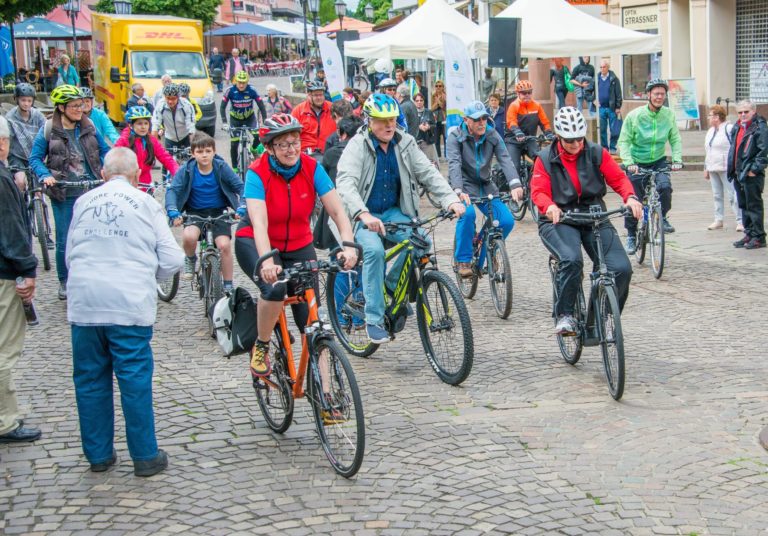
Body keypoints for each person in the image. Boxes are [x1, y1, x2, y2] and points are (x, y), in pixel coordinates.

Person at [66, 147, 184, 476]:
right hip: (128, 302)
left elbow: (69, 253)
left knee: (89, 379)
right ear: (136, 176)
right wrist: (149, 277)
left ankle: (99, 454)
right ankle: (145, 455)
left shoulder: (83, 202)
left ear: (103, 174)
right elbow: (173, 260)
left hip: (86, 301)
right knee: (134, 379)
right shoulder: (146, 203)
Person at [233, 114, 358, 377]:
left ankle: (328, 397)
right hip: (257, 242)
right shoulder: (257, 172)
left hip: (299, 243)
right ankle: (262, 344)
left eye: (295, 142)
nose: (291, 149)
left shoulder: (312, 168)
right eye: (283, 144)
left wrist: (348, 245)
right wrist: (268, 263)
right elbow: (259, 222)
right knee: (275, 289)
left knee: (311, 323)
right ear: (269, 148)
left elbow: (337, 212)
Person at [335, 94, 465, 343]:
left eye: (392, 119)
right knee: (372, 251)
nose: (389, 125)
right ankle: (373, 319)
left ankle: (392, 287)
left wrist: (450, 198)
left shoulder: (404, 142)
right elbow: (346, 183)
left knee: (421, 241)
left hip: (393, 211)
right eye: (382, 120)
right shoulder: (357, 145)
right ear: (369, 120)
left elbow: (427, 172)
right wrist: (363, 214)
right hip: (362, 214)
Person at [530, 107, 643, 334]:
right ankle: (566, 314)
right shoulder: (544, 159)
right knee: (571, 261)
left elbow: (619, 178)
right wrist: (549, 206)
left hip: (593, 215)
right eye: (570, 140)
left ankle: (604, 318)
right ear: (559, 137)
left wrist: (630, 197)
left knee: (621, 268)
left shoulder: (596, 152)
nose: (576, 144)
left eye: (580, 139)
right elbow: (538, 192)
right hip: (560, 218)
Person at [28, 85, 111, 300]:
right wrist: (45, 175)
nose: (79, 110)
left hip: (91, 189)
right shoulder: (49, 129)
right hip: (64, 192)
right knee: (65, 238)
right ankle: (64, 280)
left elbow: (104, 151)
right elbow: (35, 158)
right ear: (61, 107)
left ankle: (93, 276)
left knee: (95, 235)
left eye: (81, 105)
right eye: (74, 106)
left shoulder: (89, 125)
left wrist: (107, 168)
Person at [0, 115, 42, 445]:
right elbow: (12, 230)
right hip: (3, 273)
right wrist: (27, 269)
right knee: (4, 349)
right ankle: (5, 421)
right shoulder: (2, 180)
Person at [449, 101, 523, 278]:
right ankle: (464, 260)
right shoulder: (455, 136)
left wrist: (515, 183)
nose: (482, 122)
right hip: (464, 185)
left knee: (506, 221)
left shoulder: (492, 133)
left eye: (484, 118)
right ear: (466, 120)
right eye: (477, 119)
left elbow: (505, 158)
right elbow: (454, 164)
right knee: (467, 215)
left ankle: (487, 250)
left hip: (486, 185)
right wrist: (458, 190)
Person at [165, 132, 244, 290]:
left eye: (208, 151)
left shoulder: (221, 167)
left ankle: (228, 285)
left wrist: (242, 206)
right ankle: (190, 258)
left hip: (219, 212)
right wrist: (173, 211)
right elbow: (173, 190)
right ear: (192, 153)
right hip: (195, 212)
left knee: (224, 246)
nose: (204, 155)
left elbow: (240, 186)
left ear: (214, 152)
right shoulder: (187, 170)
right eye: (200, 152)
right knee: (189, 237)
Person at [618, 79, 683, 253]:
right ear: (649, 95)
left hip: (658, 160)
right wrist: (629, 163)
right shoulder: (635, 116)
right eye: (656, 94)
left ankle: (663, 216)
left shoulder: (668, 115)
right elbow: (624, 141)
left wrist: (677, 160)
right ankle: (631, 234)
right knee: (634, 200)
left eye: (662, 94)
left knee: (665, 187)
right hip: (637, 162)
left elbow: (675, 138)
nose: (659, 97)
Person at [728, 100, 767, 250]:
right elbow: (733, 148)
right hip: (739, 171)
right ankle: (749, 233)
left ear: (753, 112)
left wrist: (754, 170)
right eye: (740, 112)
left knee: (754, 205)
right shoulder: (737, 126)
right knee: (743, 205)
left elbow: (763, 152)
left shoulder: (759, 127)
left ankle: (759, 236)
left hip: (751, 172)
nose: (743, 114)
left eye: (746, 111)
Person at [115, 106, 179, 193]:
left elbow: (165, 157)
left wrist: (176, 171)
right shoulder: (124, 140)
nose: (143, 127)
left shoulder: (151, 140)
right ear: (130, 125)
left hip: (146, 184)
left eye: (146, 123)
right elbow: (113, 161)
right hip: (128, 184)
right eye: (139, 123)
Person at [505, 80, 556, 176]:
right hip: (513, 141)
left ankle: (535, 182)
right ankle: (515, 188)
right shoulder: (514, 106)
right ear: (518, 94)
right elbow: (511, 121)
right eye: (524, 93)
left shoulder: (537, 106)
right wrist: (517, 132)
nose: (527, 95)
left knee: (540, 161)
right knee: (514, 166)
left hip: (529, 139)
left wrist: (548, 132)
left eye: (529, 92)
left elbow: (544, 122)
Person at [221, 71, 267, 170]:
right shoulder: (230, 91)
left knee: (258, 136)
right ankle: (234, 168)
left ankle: (253, 148)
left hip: (249, 118)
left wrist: (265, 121)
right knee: (234, 144)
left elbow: (261, 106)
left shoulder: (252, 90)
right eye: (239, 82)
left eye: (244, 82)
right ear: (236, 81)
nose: (241, 85)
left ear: (247, 82)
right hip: (235, 119)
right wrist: (224, 122)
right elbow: (222, 107)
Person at [704, 105, 741, 231]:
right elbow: (708, 150)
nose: (708, 118)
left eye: (710, 115)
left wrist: (735, 166)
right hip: (713, 167)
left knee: (733, 195)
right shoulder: (710, 131)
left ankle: (740, 220)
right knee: (717, 195)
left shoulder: (729, 128)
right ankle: (718, 219)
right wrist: (706, 168)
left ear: (717, 117)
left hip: (726, 168)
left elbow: (735, 147)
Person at [6, 83, 46, 192]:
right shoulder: (10, 117)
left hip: (36, 155)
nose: (26, 104)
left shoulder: (38, 115)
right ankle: (21, 205)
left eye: (29, 101)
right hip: (17, 157)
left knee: (40, 187)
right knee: (20, 182)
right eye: (23, 100)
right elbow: (7, 138)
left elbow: (47, 132)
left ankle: (39, 204)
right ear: (16, 100)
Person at [291, 81, 335, 154]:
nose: (319, 98)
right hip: (306, 153)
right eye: (315, 95)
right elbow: (291, 134)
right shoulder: (299, 110)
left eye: (321, 95)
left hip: (327, 152)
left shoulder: (332, 108)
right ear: (309, 95)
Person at [151, 83, 196, 152]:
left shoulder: (186, 105)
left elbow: (191, 127)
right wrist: (154, 147)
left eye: (173, 99)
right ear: (164, 96)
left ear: (178, 97)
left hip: (185, 137)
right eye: (168, 98)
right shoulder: (160, 105)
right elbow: (155, 126)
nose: (170, 101)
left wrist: (193, 146)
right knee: (168, 161)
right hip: (170, 138)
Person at [596, 60, 623, 154]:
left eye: (604, 67)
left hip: (612, 108)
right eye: (601, 67)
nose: (602, 69)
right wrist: (593, 100)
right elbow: (589, 91)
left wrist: (618, 107)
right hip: (601, 108)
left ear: (608, 67)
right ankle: (604, 148)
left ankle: (612, 147)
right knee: (602, 129)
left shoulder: (614, 78)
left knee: (614, 130)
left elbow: (618, 94)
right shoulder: (597, 78)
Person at [414, 92, 438, 164]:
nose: (419, 102)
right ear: (414, 102)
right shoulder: (412, 112)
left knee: (429, 162)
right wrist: (418, 127)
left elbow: (434, 125)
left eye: (421, 100)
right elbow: (409, 126)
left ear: (424, 101)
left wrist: (429, 127)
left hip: (427, 142)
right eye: (417, 101)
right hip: (415, 142)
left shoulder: (428, 112)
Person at [431, 80, 447, 159]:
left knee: (445, 138)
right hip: (436, 119)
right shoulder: (433, 96)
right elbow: (432, 108)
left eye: (440, 86)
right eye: (436, 86)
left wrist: (439, 102)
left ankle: (446, 155)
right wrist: (437, 102)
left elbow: (444, 107)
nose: (438, 87)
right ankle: (438, 156)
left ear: (443, 87)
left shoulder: (445, 96)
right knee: (436, 139)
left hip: (444, 119)